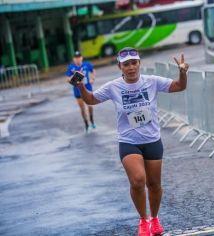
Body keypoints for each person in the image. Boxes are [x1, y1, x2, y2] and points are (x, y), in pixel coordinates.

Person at [68, 47, 189, 236]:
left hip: (152, 140)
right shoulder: (113, 87)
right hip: (128, 141)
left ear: (139, 63)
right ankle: (143, 220)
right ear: (120, 66)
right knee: (138, 181)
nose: (131, 67)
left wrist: (182, 72)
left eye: (134, 63)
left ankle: (155, 219)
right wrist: (80, 86)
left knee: (154, 184)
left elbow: (180, 86)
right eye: (126, 64)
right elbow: (91, 100)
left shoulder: (152, 82)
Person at [66, 51, 96, 132]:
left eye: (79, 57)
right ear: (73, 59)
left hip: (88, 88)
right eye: (76, 58)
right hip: (77, 90)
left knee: (90, 106)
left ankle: (91, 119)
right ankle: (86, 123)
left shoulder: (86, 64)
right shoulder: (71, 67)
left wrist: (92, 78)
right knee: (82, 108)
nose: (77, 59)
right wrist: (74, 77)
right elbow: (67, 79)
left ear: (81, 58)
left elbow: (93, 71)